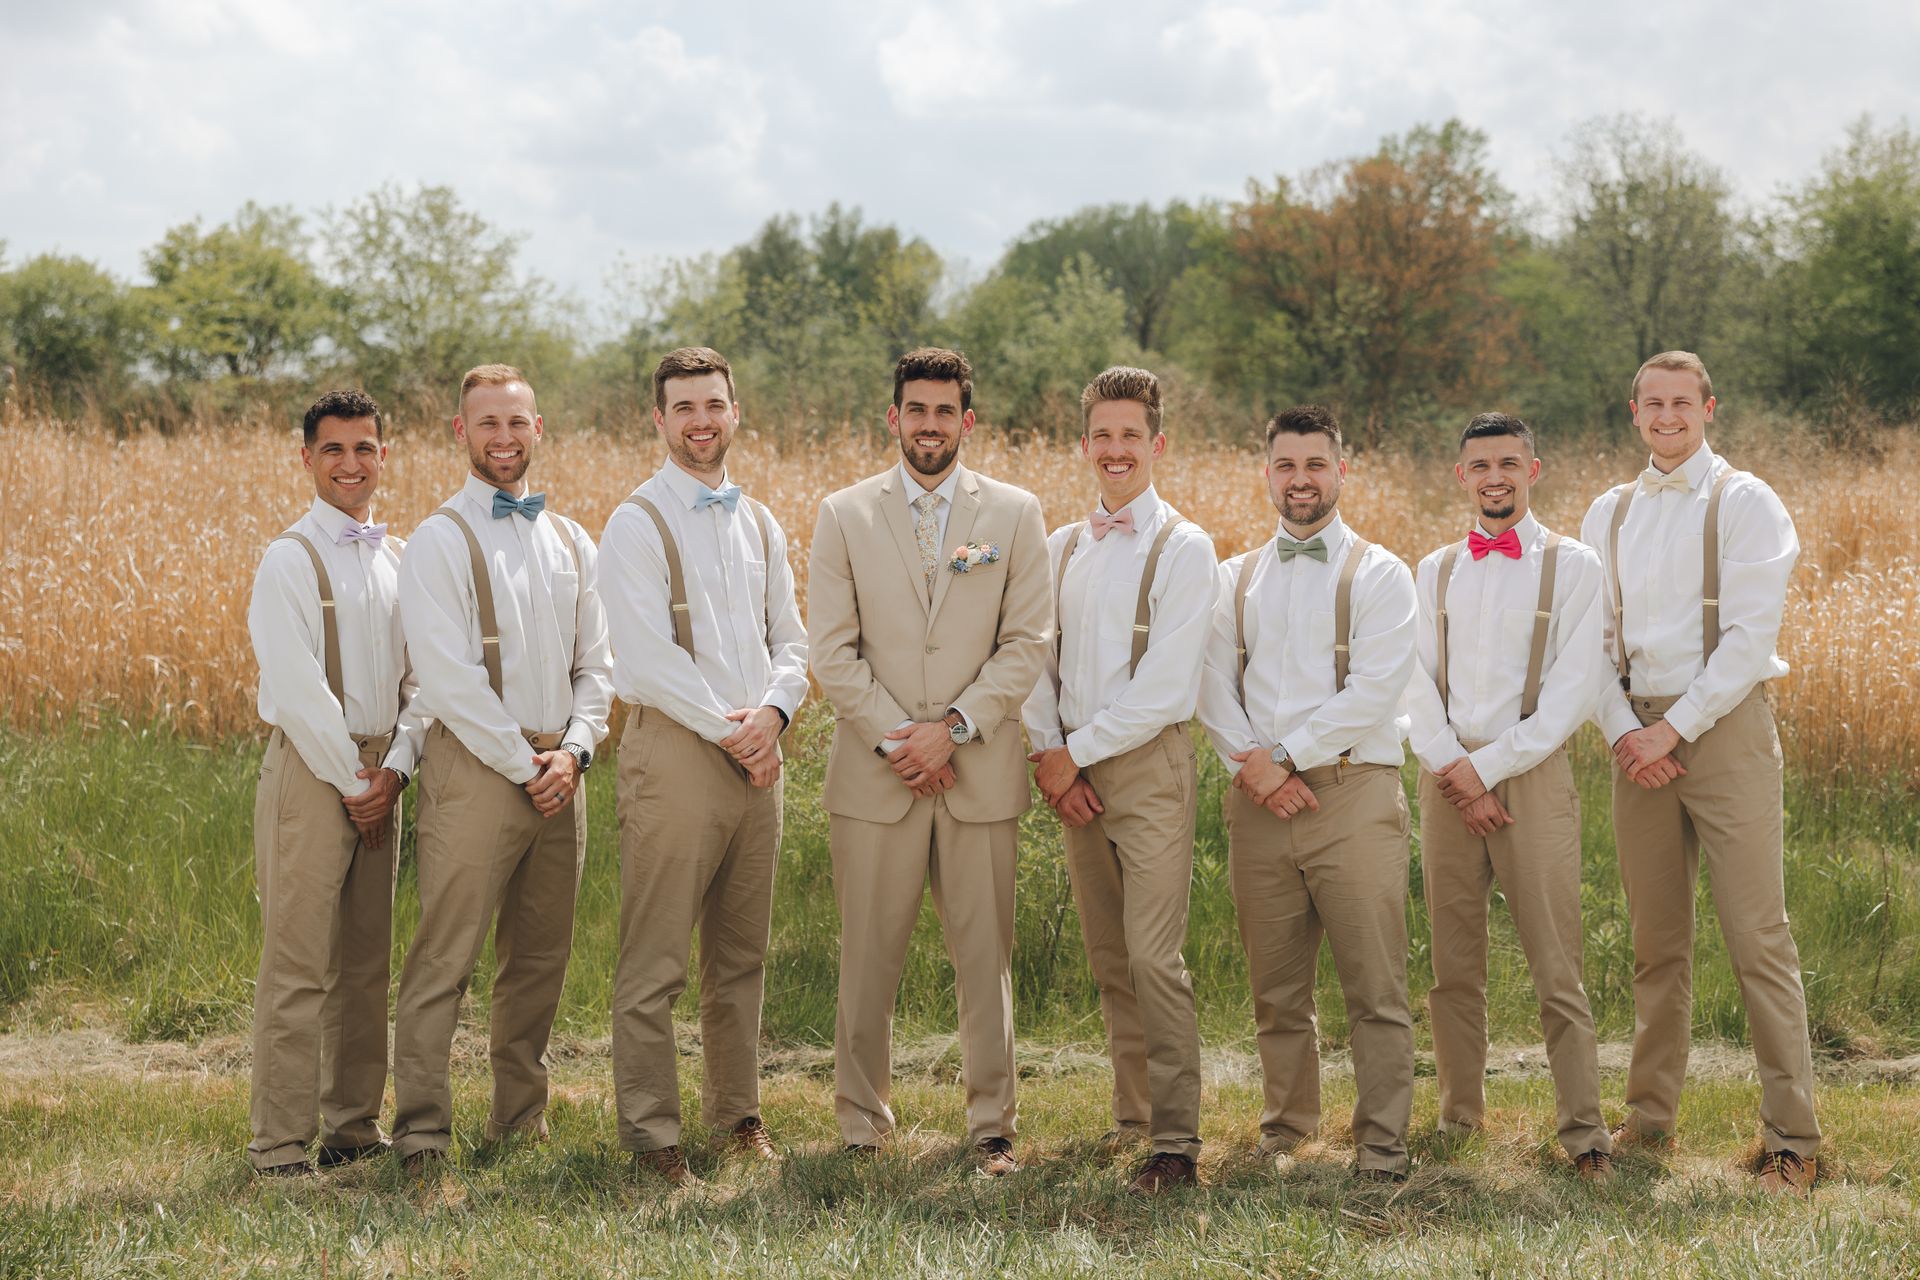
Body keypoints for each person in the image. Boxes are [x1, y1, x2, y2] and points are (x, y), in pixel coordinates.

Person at [1580, 350, 1820, 1194]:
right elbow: (1593, 643)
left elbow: (1749, 639)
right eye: (1654, 403)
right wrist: (1624, 730)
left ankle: (1792, 1137)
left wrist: (1674, 730)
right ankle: (1650, 1119)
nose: (1668, 416)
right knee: (1656, 943)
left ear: (1708, 408)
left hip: (1722, 730)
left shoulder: (1746, 502)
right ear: (1634, 411)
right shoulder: (1607, 513)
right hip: (1632, 739)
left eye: (1683, 402)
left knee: (1758, 936)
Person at [807, 347, 1049, 1176]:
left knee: (987, 958)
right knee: (867, 954)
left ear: (967, 421)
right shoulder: (843, 513)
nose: (930, 425)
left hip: (978, 768)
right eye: (916, 410)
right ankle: (861, 1125)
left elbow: (1027, 644)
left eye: (946, 412)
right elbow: (831, 654)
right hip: (877, 775)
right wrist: (900, 740)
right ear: (894, 418)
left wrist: (955, 726)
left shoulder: (1015, 514)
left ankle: (992, 1126)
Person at [389, 363, 614, 1170]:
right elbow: (447, 679)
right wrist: (527, 764)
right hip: (481, 765)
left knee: (540, 956)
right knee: (444, 955)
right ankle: (420, 1132)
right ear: (461, 433)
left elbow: (600, 663)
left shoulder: (572, 539)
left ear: (538, 429)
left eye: (517, 423)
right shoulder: (438, 541)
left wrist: (578, 750)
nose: (504, 439)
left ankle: (520, 1121)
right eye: (487, 424)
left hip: (564, 767)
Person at [599, 347, 808, 1185]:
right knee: (656, 961)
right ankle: (653, 1137)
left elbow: (792, 641)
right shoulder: (636, 522)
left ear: (734, 409)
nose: (700, 421)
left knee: (740, 954)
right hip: (680, 753)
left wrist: (776, 712)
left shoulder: (759, 521)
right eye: (683, 407)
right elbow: (644, 660)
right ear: (659, 418)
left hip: (760, 755)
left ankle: (738, 1117)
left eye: (713, 404)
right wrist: (737, 731)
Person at [1197, 405, 1418, 1182]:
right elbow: (1210, 682)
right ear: (1268, 474)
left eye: (1315, 465)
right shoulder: (1232, 578)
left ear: (1341, 472)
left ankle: (1383, 1146)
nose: (1300, 481)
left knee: (1375, 984)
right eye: (1286, 466)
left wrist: (1285, 757)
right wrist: (1253, 766)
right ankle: (1287, 1132)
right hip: (1256, 798)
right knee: (1277, 988)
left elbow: (1375, 689)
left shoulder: (1384, 575)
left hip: (1353, 793)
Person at [1404, 412, 1613, 1180]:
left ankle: (1584, 1134)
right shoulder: (1433, 570)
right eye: (1479, 465)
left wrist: (1486, 771)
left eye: (1509, 463)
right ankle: (1460, 1119)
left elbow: (1571, 695)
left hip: (1530, 777)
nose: (1494, 476)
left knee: (1557, 963)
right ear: (1461, 476)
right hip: (1444, 778)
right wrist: (1453, 768)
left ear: (1534, 468)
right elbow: (1412, 679)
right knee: (1453, 964)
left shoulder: (1577, 567)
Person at [1021, 366, 1215, 1193]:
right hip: (1069, 773)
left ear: (1157, 444)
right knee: (1108, 955)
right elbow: (1034, 659)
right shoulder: (1062, 545)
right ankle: (1132, 1116)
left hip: (1146, 768)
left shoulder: (1186, 547)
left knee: (1153, 955)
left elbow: (1168, 686)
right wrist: (1047, 755)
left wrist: (1077, 753)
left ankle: (1176, 1141)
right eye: (1102, 434)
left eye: (1130, 434)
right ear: (1086, 443)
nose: (1115, 449)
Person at [245, 389, 425, 1175]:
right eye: (333, 451)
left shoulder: (400, 557)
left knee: (365, 958)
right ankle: (278, 1144)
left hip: (381, 770)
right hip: (317, 771)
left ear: (384, 455)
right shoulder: (290, 558)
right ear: (307, 459)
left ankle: (352, 1127)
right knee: (297, 963)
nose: (351, 465)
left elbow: (424, 680)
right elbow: (294, 684)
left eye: (364, 449)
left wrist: (394, 769)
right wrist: (355, 780)